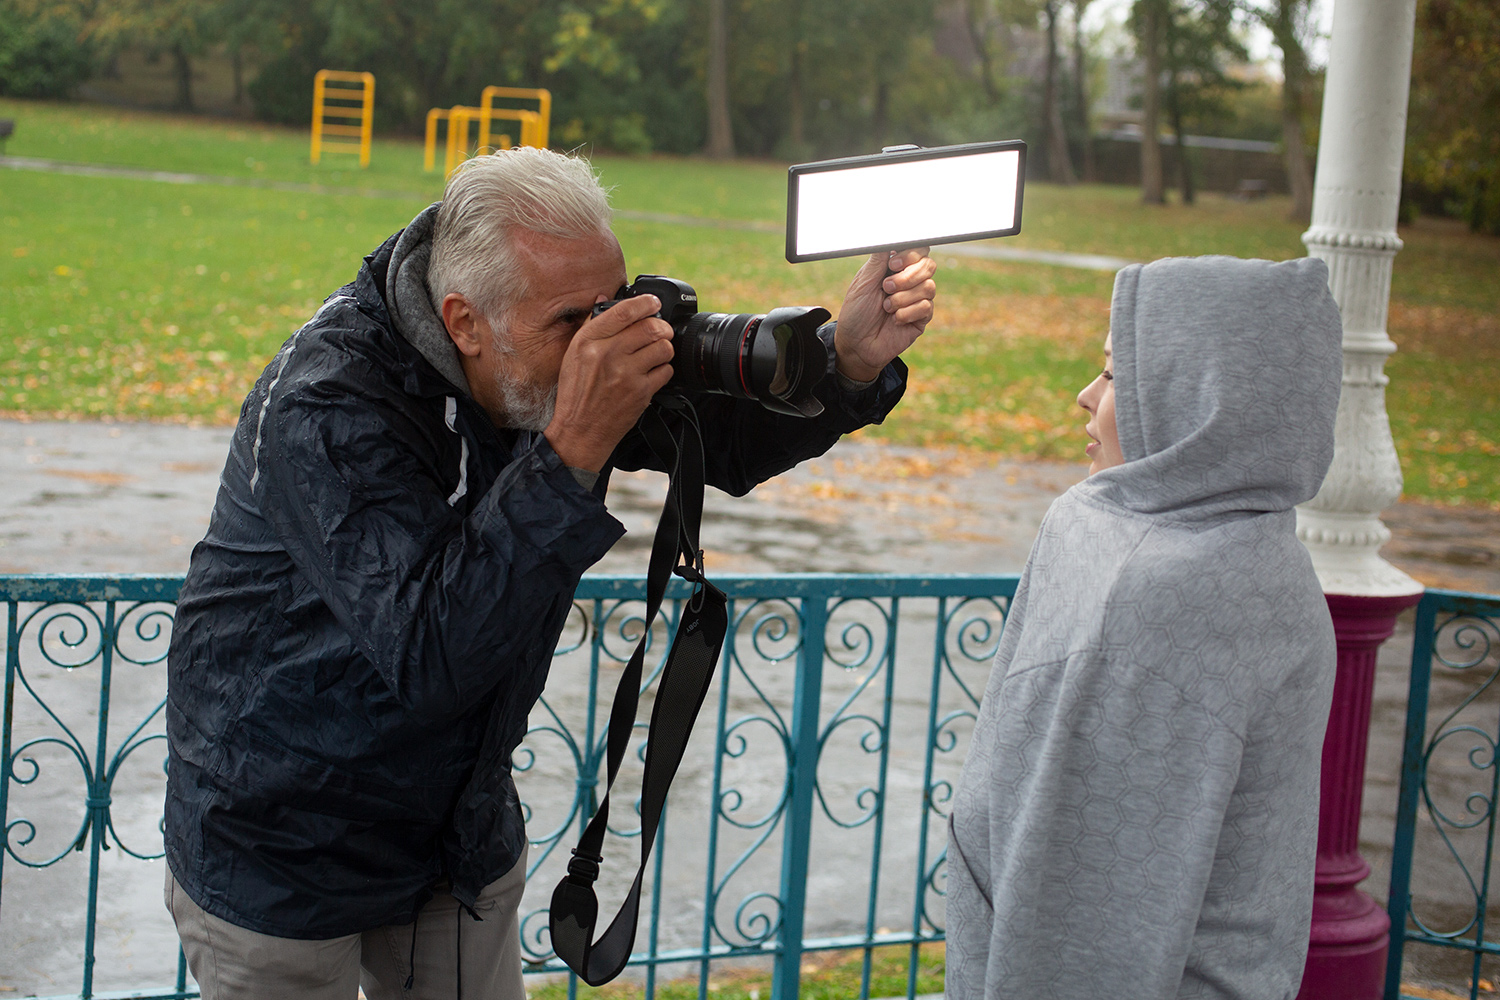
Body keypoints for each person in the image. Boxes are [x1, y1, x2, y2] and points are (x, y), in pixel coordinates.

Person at [163, 146, 937, 1000]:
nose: (600, 347)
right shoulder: (330, 403)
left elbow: (725, 444)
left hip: (456, 835)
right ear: (464, 321)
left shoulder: (541, 334)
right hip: (281, 842)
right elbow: (431, 655)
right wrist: (569, 450)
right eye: (575, 323)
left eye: (617, 306)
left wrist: (848, 362)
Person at [944, 255, 1343, 999]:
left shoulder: (1160, 593)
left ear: (1198, 395)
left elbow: (1081, 923)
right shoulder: (1256, 548)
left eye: (1116, 375)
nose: (1084, 396)